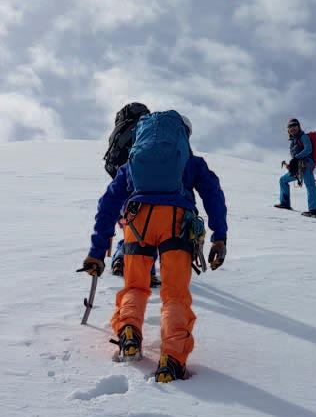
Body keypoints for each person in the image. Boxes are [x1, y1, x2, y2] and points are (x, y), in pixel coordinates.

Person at [81, 113, 228, 382]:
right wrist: (220, 235)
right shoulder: (190, 161)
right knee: (175, 294)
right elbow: (212, 193)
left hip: (137, 221)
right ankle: (172, 358)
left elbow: (108, 203)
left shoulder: (133, 163)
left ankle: (128, 332)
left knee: (135, 286)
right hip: (176, 222)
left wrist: (97, 250)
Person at [102, 102, 159, 286]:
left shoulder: (120, 133)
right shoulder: (148, 132)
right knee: (149, 229)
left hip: (122, 189)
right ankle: (146, 271)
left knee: (132, 229)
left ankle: (121, 257)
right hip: (143, 189)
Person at [275, 116, 316, 217]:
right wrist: (291, 165)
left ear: (298, 127)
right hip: (299, 167)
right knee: (283, 180)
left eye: (294, 126)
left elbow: (308, 149)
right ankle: (285, 203)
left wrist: (296, 158)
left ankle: (314, 210)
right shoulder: (293, 141)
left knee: (310, 184)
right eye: (290, 127)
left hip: (306, 164)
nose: (292, 128)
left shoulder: (303, 137)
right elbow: (295, 158)